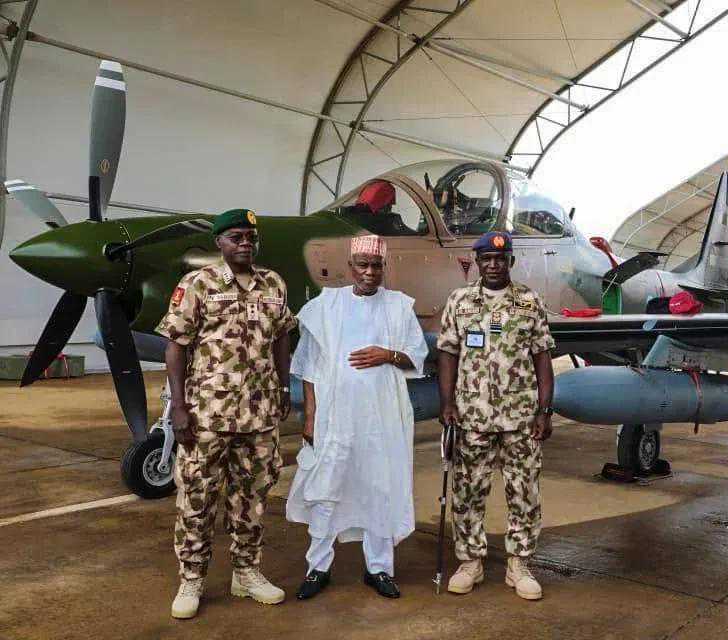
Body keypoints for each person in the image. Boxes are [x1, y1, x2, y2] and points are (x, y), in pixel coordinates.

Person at [157, 209, 297, 620]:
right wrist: (178, 406)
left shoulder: (273, 283)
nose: (245, 244)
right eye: (236, 237)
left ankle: (246, 572)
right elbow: (176, 346)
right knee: (197, 499)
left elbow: (282, 337)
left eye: (251, 237)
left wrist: (283, 387)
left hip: (259, 416)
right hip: (207, 415)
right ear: (219, 242)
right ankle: (192, 578)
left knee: (252, 498)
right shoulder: (197, 284)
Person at [286, 234, 428, 600]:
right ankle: (318, 568)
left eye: (376, 266)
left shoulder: (398, 306)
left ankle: (378, 568)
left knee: (380, 488)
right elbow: (308, 366)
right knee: (326, 489)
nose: (369, 272)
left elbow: (417, 356)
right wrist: (310, 417)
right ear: (350, 267)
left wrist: (387, 354)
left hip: (382, 419)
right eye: (362, 265)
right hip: (335, 418)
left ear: (384, 267)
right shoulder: (327, 305)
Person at [436, 231, 555, 601]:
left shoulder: (529, 301)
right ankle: (470, 562)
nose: (493, 265)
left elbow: (542, 358)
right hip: (472, 417)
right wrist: (447, 403)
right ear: (476, 262)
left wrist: (544, 410)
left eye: (500, 259)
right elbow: (447, 354)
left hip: (521, 419)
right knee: (467, 491)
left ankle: (518, 564)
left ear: (510, 262)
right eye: (486, 259)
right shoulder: (459, 301)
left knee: (524, 492)